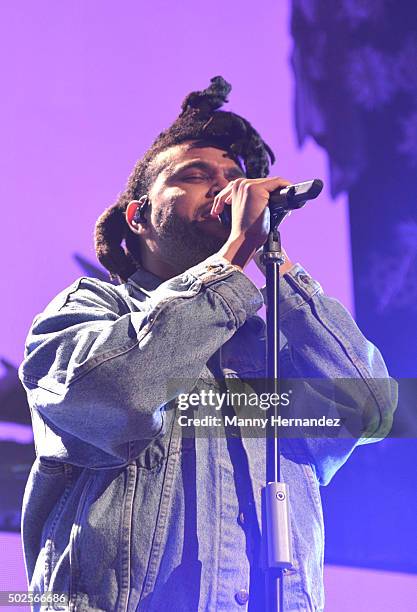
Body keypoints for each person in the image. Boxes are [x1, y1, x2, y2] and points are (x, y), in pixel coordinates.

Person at [19, 76, 396, 612]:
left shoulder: (272, 350)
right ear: (138, 214)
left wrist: (277, 265)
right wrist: (234, 254)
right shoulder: (88, 311)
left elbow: (372, 411)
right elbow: (117, 394)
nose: (223, 189)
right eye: (195, 175)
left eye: (235, 178)